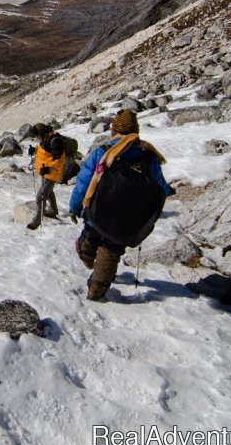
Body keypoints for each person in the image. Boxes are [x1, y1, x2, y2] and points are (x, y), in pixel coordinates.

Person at [68, 109, 174, 301]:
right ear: (136, 129)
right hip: (127, 216)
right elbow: (159, 185)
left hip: (97, 212)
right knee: (111, 250)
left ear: (114, 129)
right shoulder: (148, 156)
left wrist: (74, 207)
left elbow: (83, 183)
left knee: (90, 237)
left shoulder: (102, 153)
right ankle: (97, 290)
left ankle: (88, 256)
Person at [26, 123, 65, 230]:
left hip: (51, 173)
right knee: (49, 192)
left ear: (42, 133)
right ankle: (53, 211)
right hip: (46, 172)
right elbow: (45, 151)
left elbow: (59, 160)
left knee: (40, 197)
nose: (36, 137)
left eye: (36, 135)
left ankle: (36, 222)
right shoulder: (47, 139)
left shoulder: (55, 141)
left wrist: (48, 168)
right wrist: (35, 150)